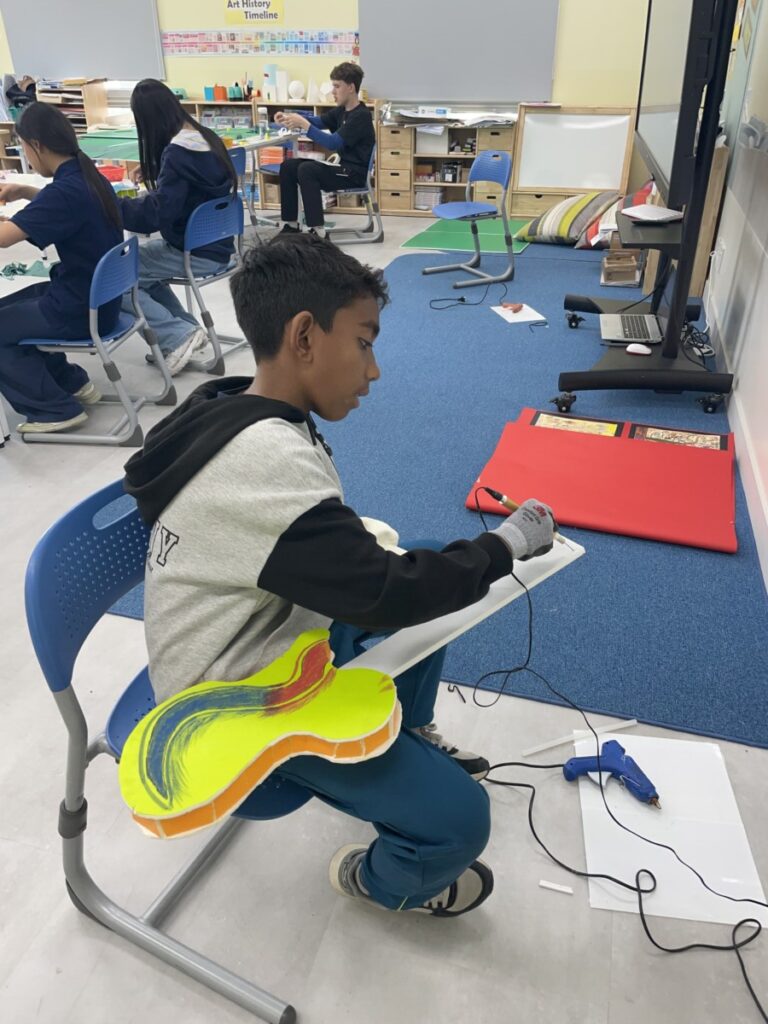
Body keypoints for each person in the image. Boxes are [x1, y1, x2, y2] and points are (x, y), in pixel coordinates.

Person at [123, 235, 555, 917]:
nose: (373, 370)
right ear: (303, 337)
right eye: (364, 342)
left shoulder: (233, 403)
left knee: (420, 557)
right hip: (237, 699)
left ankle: (405, 730)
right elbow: (385, 594)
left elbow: (312, 549)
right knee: (461, 821)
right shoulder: (262, 458)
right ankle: (371, 879)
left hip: (264, 633)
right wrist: (505, 546)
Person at [0, 102, 122, 433]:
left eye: (24, 148)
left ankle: (54, 410)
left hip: (80, 309)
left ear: (36, 145)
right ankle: (73, 383)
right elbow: (64, 204)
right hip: (101, 300)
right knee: (12, 306)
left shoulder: (65, 193)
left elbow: (5, 238)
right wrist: (26, 191)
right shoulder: (87, 175)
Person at [118, 79, 238, 375]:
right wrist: (157, 168)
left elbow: (156, 214)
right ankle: (186, 330)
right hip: (221, 246)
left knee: (118, 278)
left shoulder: (177, 153)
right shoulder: (207, 138)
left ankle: (176, 335)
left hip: (194, 252)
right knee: (144, 271)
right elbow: (191, 181)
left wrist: (113, 206)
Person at [275, 62, 375, 237]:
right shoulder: (341, 111)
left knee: (307, 169)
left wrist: (304, 125)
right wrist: (289, 118)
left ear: (351, 87)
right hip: (341, 169)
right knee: (288, 166)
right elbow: (317, 121)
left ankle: (318, 232)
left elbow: (332, 143)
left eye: (337, 86)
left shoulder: (361, 116)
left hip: (354, 174)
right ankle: (291, 225)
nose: (332, 91)